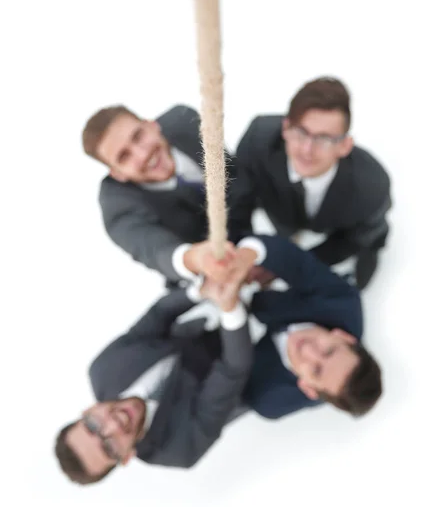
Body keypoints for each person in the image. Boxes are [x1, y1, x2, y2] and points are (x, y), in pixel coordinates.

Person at [54, 247, 255, 484]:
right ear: (126, 457)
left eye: (93, 425)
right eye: (109, 448)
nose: (112, 425)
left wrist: (201, 291)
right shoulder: (180, 449)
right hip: (246, 375)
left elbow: (158, 316)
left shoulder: (102, 369)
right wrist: (230, 306)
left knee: (188, 263)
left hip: (191, 335)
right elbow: (234, 369)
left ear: (87, 412)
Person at [177, 233, 382, 420]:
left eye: (316, 370)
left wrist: (228, 308)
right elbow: (294, 260)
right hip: (273, 300)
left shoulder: (267, 397)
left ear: (308, 389)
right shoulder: (343, 302)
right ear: (344, 336)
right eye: (329, 350)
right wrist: (246, 258)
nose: (308, 350)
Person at [230, 77, 392, 289]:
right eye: (300, 132)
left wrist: (288, 264)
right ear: (285, 128)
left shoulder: (371, 186)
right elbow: (239, 200)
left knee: (368, 247)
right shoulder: (258, 140)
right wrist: (242, 252)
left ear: (344, 146)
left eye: (323, 139)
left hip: (346, 230)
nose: (306, 149)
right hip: (283, 210)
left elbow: (353, 239)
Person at [82, 103, 243, 287]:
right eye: (124, 156)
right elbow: (156, 250)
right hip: (210, 275)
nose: (142, 155)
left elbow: (234, 172)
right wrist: (196, 259)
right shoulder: (117, 207)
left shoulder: (185, 120)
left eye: (138, 136)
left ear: (152, 125)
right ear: (117, 174)